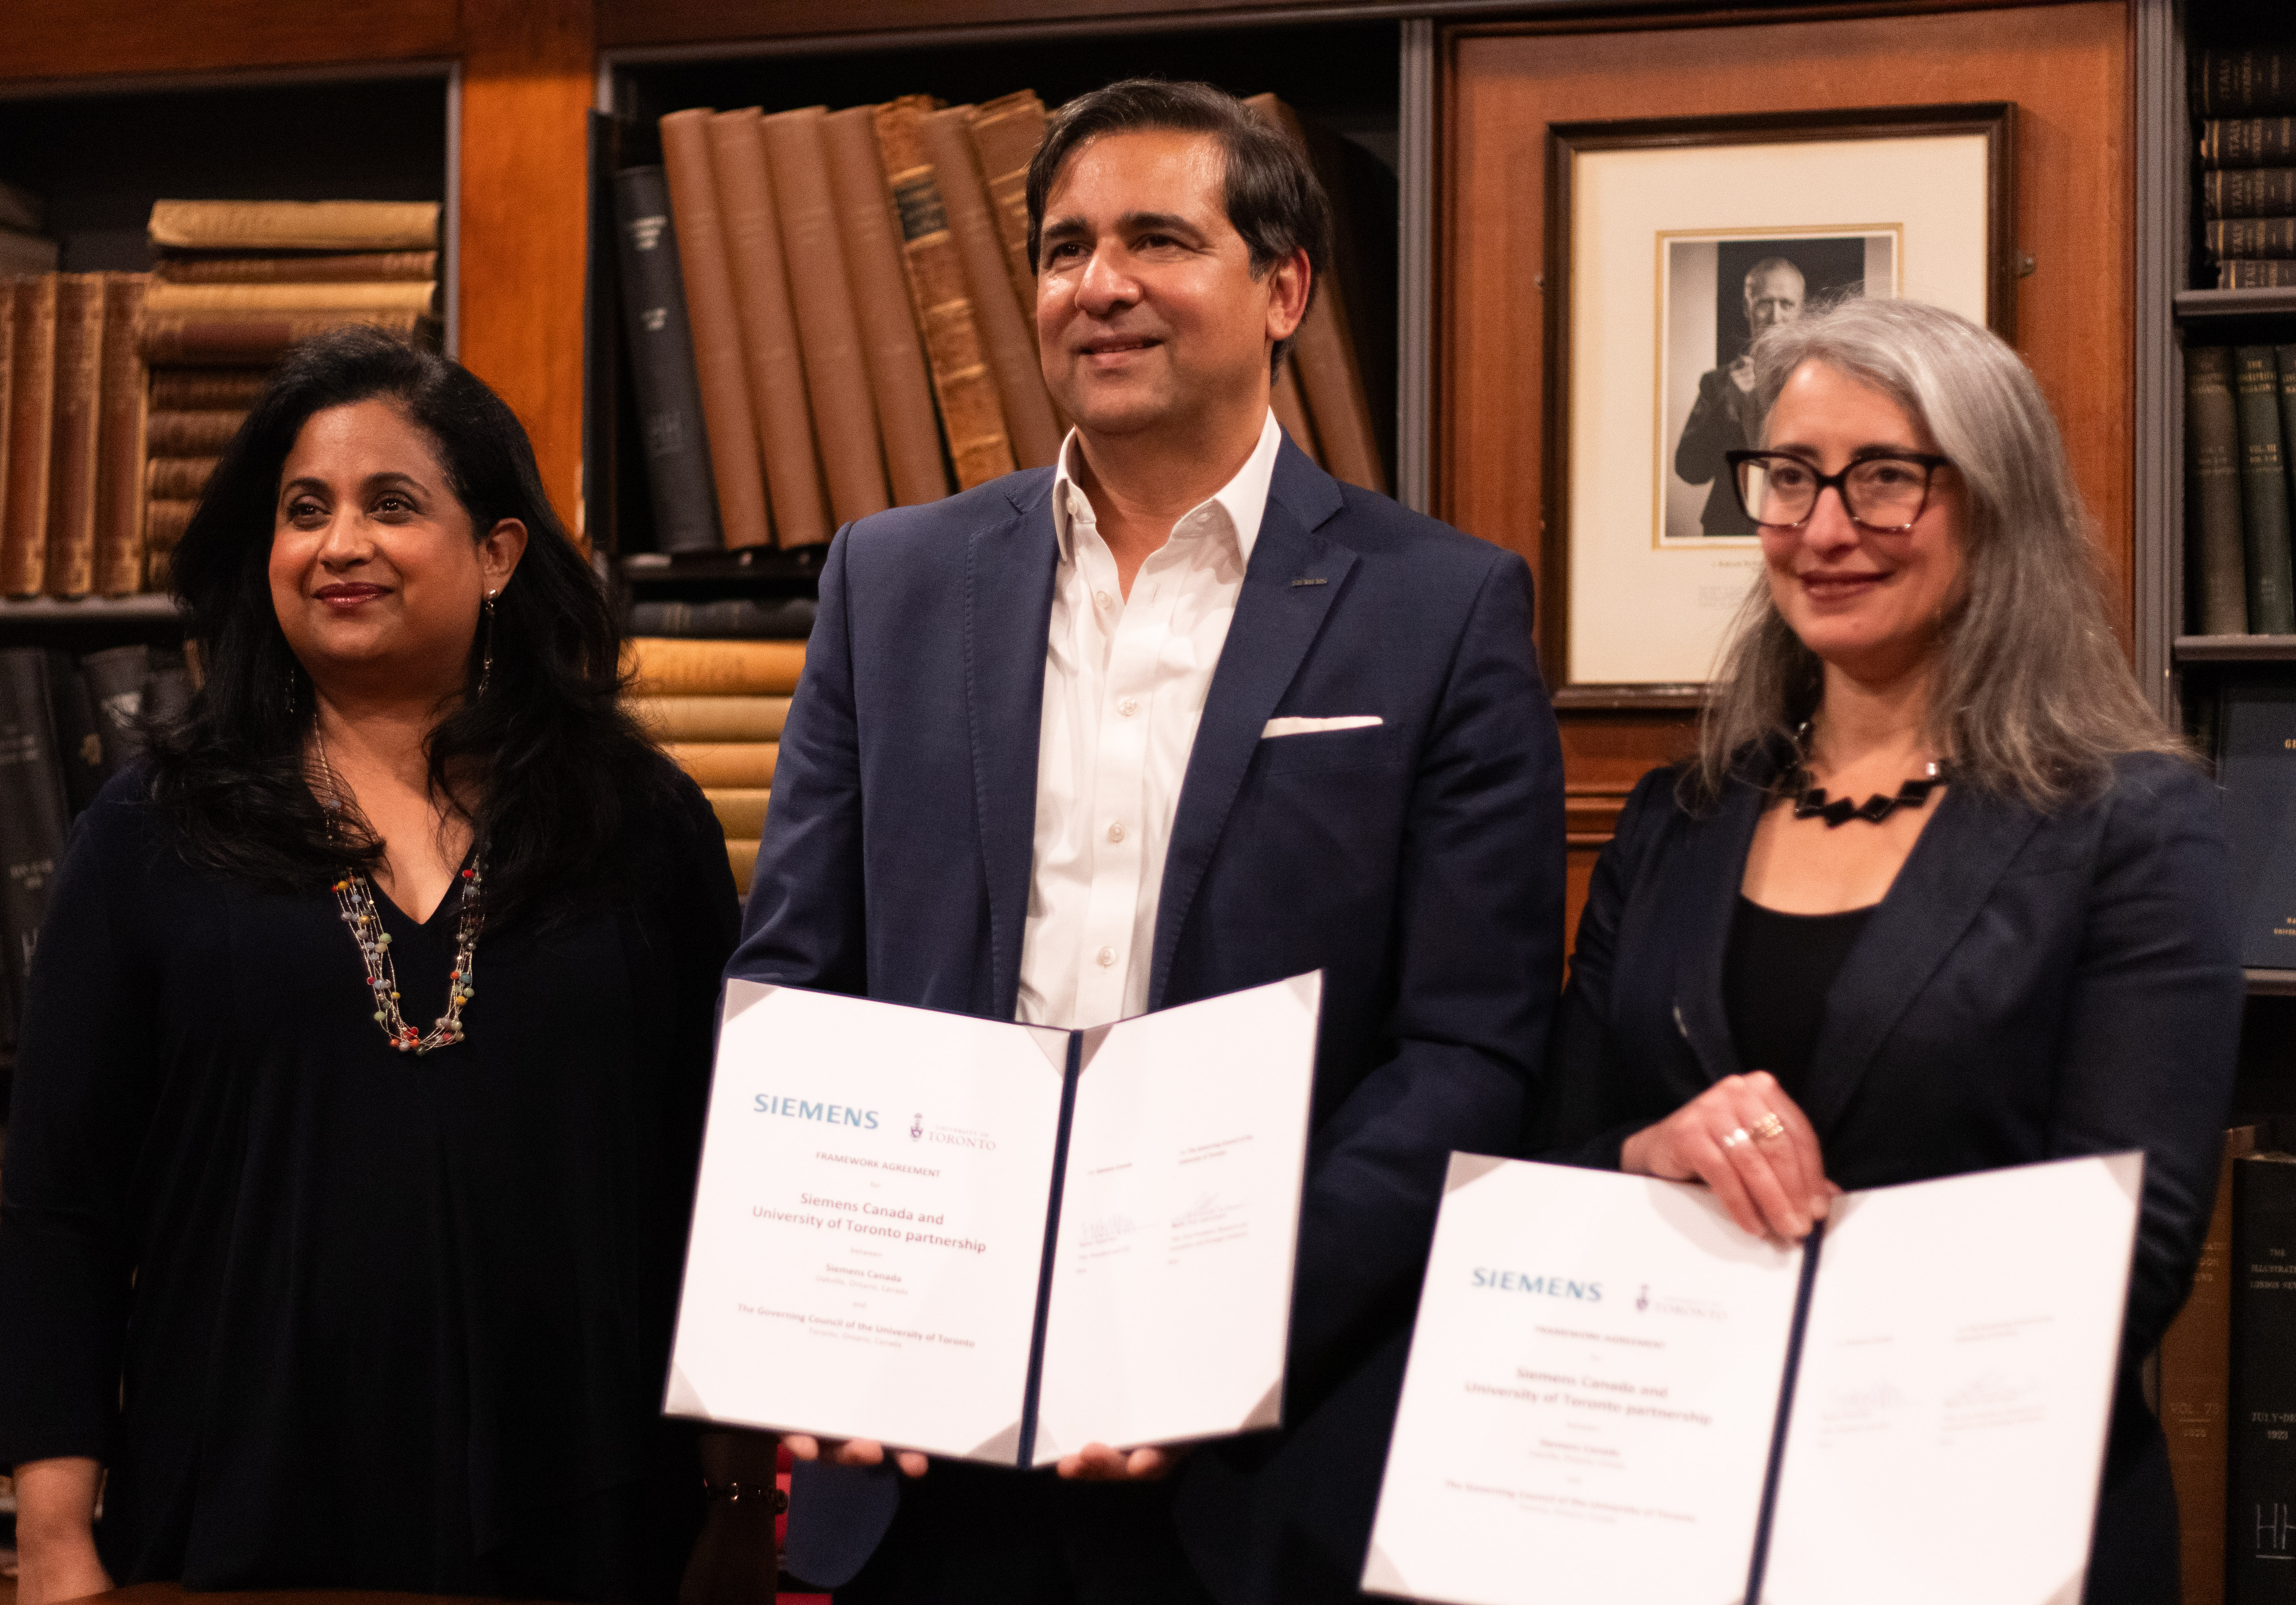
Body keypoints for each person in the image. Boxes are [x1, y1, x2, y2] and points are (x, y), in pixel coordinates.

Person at [732, 78, 1564, 1605]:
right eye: (1061, 247)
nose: (1096, 283)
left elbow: (1470, 1046)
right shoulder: (888, 582)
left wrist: (1226, 1330)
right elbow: (800, 983)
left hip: (1261, 1463)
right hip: (921, 1454)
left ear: (1283, 288)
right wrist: (815, 1312)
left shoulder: (1437, 609)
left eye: (1156, 239)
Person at [0, 328, 755, 1604]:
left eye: (391, 503)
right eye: (304, 511)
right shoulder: (150, 829)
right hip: (237, 1521)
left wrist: (736, 1499)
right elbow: (63, 1209)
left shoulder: (638, 824)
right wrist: (55, 1543)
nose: (340, 544)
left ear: (497, 552)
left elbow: (716, 1183)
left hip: (588, 1517)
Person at [1537, 296, 2240, 1604]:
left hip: (1973, 1535)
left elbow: (2126, 1264)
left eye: (1884, 480)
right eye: (1790, 478)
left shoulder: (2132, 828)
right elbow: (1559, 1160)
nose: (1823, 527)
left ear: (1995, 500)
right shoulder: (1675, 818)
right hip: (1664, 1523)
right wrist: (1646, 1154)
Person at [1673, 257, 1806, 535]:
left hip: (1801, 526)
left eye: (1787, 304)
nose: (1775, 316)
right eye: (1764, 304)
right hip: (1729, 527)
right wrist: (1727, 402)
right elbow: (1691, 471)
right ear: (1748, 308)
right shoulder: (1717, 383)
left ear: (1801, 310)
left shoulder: (1824, 380)